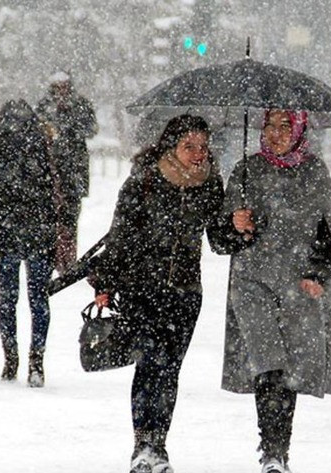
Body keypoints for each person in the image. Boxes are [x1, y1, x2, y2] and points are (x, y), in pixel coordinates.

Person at [88, 115, 227, 473]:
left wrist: (237, 225)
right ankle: (142, 445)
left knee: (170, 370)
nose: (198, 154)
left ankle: (159, 444)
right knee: (149, 364)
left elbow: (220, 241)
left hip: (185, 292)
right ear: (172, 146)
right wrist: (105, 283)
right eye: (189, 146)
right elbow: (119, 236)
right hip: (141, 289)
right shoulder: (145, 180)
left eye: (202, 147)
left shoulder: (211, 184)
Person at [221, 109, 331, 473]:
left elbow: (325, 233)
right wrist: (235, 223)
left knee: (289, 368)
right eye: (269, 126)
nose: (275, 134)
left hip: (297, 283)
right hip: (252, 281)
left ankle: (279, 448)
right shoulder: (245, 170)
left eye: (285, 126)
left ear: (300, 129)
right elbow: (221, 239)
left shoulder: (315, 172)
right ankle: (271, 449)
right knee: (267, 364)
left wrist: (317, 274)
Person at [0, 99, 58, 388]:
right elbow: (54, 191)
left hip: (6, 232)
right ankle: (36, 361)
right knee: (39, 299)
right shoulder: (43, 144)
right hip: (38, 231)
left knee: (8, 297)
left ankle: (10, 358)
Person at [35, 72, 98, 273]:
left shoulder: (80, 104)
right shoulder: (44, 105)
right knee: (51, 218)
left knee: (70, 218)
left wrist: (70, 127)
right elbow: (36, 130)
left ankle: (68, 261)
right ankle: (52, 258)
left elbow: (91, 129)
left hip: (74, 169)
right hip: (50, 169)